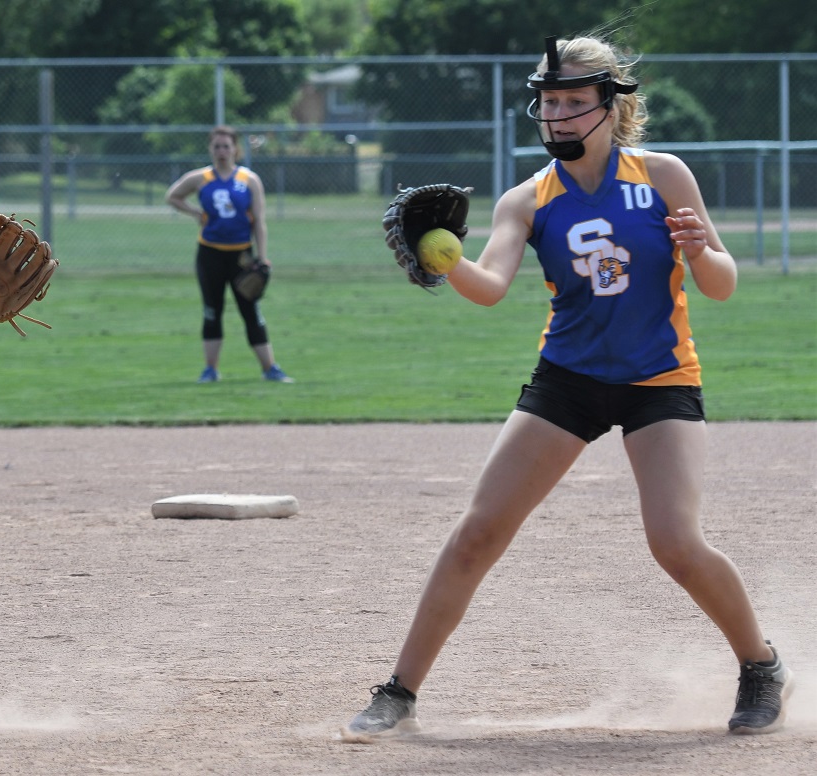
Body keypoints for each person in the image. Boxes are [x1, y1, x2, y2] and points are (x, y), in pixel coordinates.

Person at [341, 35, 793, 741]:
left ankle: (761, 665)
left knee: (674, 541)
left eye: (574, 102)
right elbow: (489, 287)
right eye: (549, 102)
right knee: (478, 533)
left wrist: (701, 247)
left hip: (658, 380)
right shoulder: (528, 198)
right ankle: (398, 691)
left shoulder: (664, 175)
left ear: (611, 108)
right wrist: (445, 261)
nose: (556, 116)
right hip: (569, 381)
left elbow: (722, 285)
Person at [165, 125, 293, 383]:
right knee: (212, 310)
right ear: (210, 149)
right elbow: (173, 196)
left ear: (236, 148)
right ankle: (210, 370)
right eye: (217, 146)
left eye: (226, 146)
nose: (222, 150)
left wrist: (262, 256)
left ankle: (270, 368)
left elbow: (259, 220)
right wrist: (196, 213)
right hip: (210, 255)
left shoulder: (249, 180)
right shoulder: (201, 178)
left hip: (241, 256)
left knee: (251, 310)